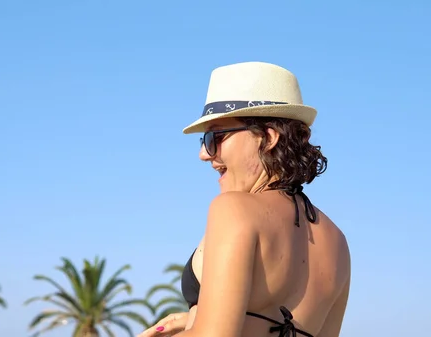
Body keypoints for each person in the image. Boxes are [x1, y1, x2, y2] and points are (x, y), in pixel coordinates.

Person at [138, 62, 350, 337]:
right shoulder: (337, 241)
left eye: (215, 137)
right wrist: (197, 319)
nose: (204, 153)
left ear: (268, 138)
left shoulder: (234, 209)